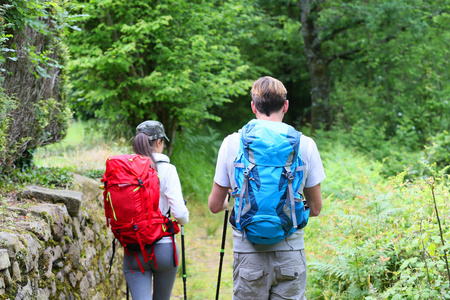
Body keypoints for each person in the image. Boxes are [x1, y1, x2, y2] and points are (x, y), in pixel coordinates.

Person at [208, 76, 326, 300]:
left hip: (248, 252)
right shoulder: (306, 144)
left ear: (253, 106)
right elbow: (317, 207)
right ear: (286, 106)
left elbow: (215, 205)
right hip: (290, 250)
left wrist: (230, 201)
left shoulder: (232, 143)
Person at [123, 120, 189, 300]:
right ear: (159, 142)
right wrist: (185, 218)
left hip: (134, 248)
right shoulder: (167, 169)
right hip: (163, 249)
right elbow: (180, 214)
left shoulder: (125, 170)